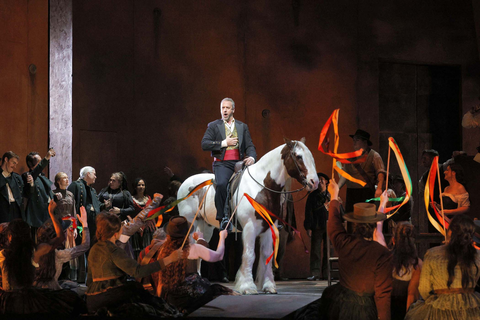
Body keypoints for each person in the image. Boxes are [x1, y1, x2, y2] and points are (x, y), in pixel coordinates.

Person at [319, 179, 392, 320]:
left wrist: (334, 194)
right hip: (365, 310)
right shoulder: (382, 253)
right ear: (372, 226)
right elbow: (383, 295)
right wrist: (382, 203)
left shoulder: (344, 243)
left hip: (341, 306)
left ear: (354, 225)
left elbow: (333, 223)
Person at [85, 212, 182, 316]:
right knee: (142, 295)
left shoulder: (94, 249)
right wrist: (170, 259)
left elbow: (89, 281)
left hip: (92, 299)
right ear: (115, 234)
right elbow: (138, 271)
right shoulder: (113, 250)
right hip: (109, 297)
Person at [0, 203, 86, 315]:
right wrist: (51, 213)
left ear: (10, 236)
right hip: (29, 298)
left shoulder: (3, 254)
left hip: (10, 300)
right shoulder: (35, 251)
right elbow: (60, 237)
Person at [154, 216, 236, 314]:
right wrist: (222, 237)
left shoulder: (163, 251)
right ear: (187, 234)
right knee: (217, 291)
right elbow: (218, 256)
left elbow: (161, 281)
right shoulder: (193, 248)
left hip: (173, 298)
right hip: (193, 297)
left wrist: (161, 301)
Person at [405, 214, 480, 319]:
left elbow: (424, 289)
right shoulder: (477, 255)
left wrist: (434, 301)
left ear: (450, 232)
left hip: (439, 307)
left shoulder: (432, 253)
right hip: (472, 307)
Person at [201, 97, 256, 228]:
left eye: (227, 108)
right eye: (222, 108)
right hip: (222, 163)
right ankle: (223, 217)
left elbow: (250, 146)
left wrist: (252, 157)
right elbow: (204, 144)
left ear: (233, 110)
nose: (224, 110)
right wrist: (224, 143)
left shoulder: (242, 126)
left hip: (239, 163)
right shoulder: (214, 125)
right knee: (221, 184)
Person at [375, 218, 422, 320]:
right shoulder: (416, 264)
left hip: (385, 308)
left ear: (393, 240)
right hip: (404, 310)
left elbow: (377, 234)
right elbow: (412, 295)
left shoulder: (386, 258)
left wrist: (381, 210)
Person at [34, 205, 90, 290]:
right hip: (50, 293)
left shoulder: (35, 250)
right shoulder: (58, 255)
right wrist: (85, 224)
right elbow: (85, 246)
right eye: (65, 231)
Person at [338, 129, 386, 213]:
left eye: (357, 140)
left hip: (366, 192)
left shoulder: (374, 155)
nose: (354, 142)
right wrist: (337, 188)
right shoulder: (350, 158)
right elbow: (345, 174)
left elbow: (380, 172)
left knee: (365, 219)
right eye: (354, 140)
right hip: (351, 192)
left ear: (365, 142)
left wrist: (379, 188)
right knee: (351, 217)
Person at [304, 172, 330, 281]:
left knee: (328, 251)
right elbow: (308, 212)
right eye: (319, 179)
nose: (321, 181)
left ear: (327, 182)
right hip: (317, 226)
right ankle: (315, 273)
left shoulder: (331, 194)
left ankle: (327, 274)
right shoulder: (312, 196)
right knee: (315, 251)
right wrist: (308, 227)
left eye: (322, 179)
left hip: (328, 227)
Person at [22, 149, 56, 228]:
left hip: (46, 211)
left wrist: (54, 195)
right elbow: (30, 192)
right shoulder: (28, 175)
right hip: (36, 214)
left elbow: (45, 192)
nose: (42, 164)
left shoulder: (42, 177)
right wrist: (46, 158)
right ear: (31, 164)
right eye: (39, 162)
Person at [67, 166, 101, 242]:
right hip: (80, 223)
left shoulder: (92, 190)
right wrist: (73, 226)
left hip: (92, 224)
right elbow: (70, 206)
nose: (95, 177)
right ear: (88, 174)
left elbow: (96, 206)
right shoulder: (75, 185)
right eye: (94, 174)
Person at [0, 151, 33, 223]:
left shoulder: (17, 177)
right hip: (3, 211)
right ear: (6, 159)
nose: (15, 167)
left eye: (16, 164)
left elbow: (26, 194)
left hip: (17, 210)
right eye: (13, 162)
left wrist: (31, 184)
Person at [131, 177, 157, 259]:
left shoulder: (149, 199)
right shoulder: (131, 199)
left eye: (143, 185)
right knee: (137, 251)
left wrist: (155, 226)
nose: (141, 187)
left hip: (148, 229)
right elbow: (129, 214)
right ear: (135, 187)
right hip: (136, 228)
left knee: (148, 250)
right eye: (139, 185)